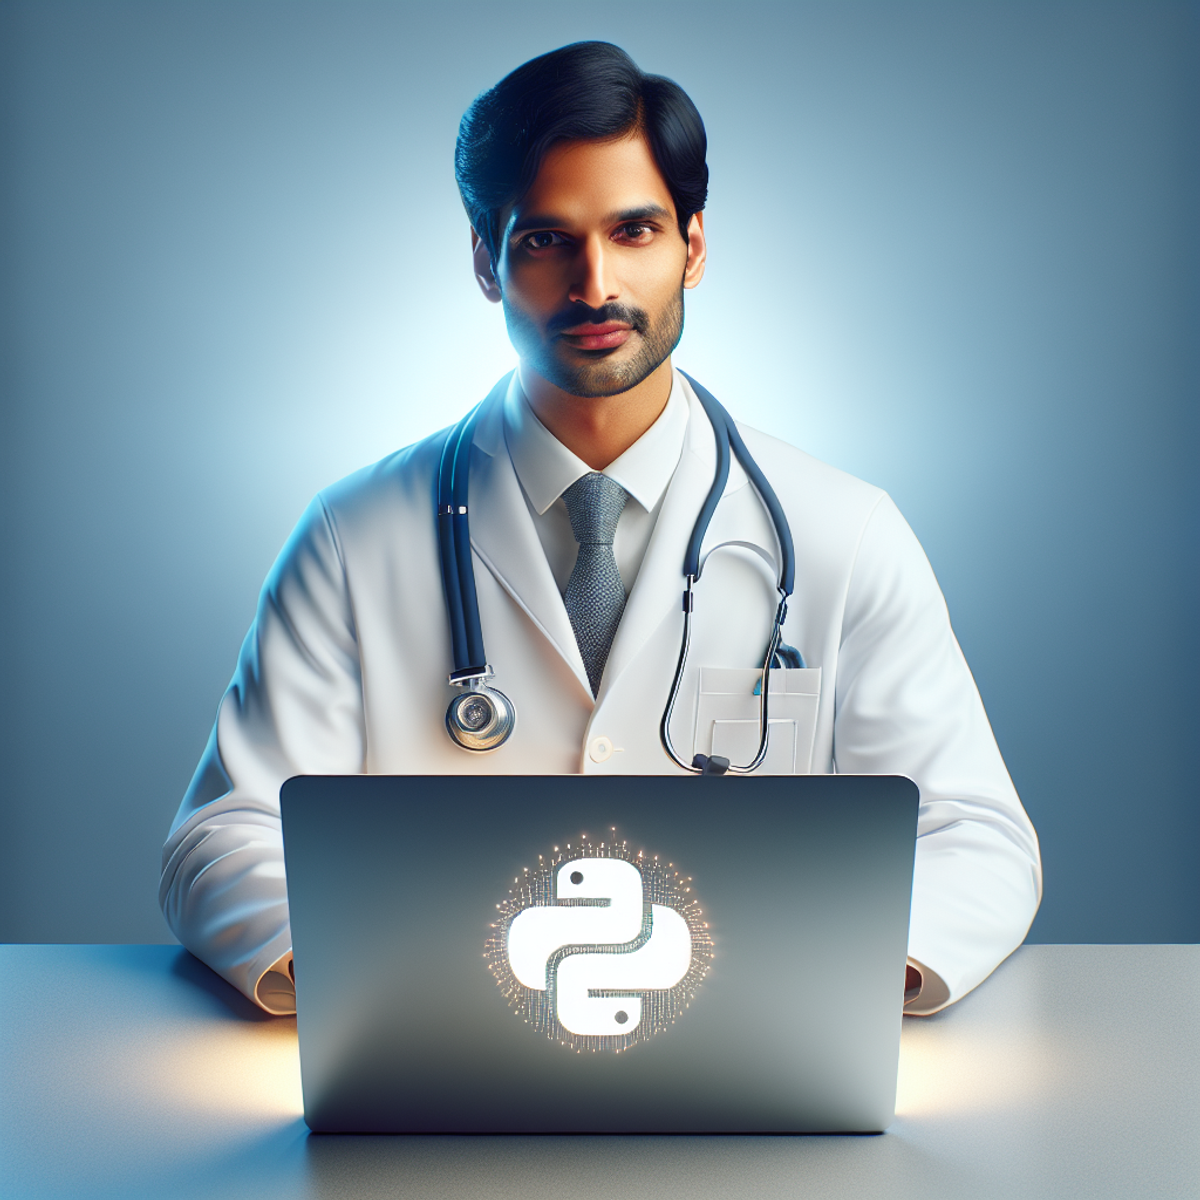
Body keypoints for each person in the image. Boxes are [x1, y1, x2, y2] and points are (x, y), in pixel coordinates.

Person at [160, 41, 1041, 1018]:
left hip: (754, 1068)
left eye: (634, 231)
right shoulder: (351, 538)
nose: (594, 283)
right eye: (545, 239)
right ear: (485, 262)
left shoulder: (844, 535)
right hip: (445, 1067)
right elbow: (224, 836)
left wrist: (847, 975)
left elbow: (975, 835)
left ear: (693, 247)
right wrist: (367, 976)